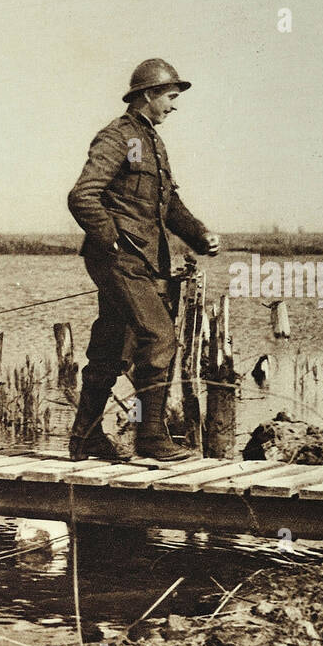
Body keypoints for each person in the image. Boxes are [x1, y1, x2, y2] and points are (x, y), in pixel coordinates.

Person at [66, 59, 220, 461]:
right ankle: (151, 439)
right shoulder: (117, 137)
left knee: (112, 345)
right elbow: (82, 195)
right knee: (159, 336)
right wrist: (111, 241)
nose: (174, 106)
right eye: (171, 97)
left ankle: (85, 439)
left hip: (138, 261)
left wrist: (200, 236)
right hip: (119, 259)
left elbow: (169, 207)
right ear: (149, 94)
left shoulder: (153, 142)